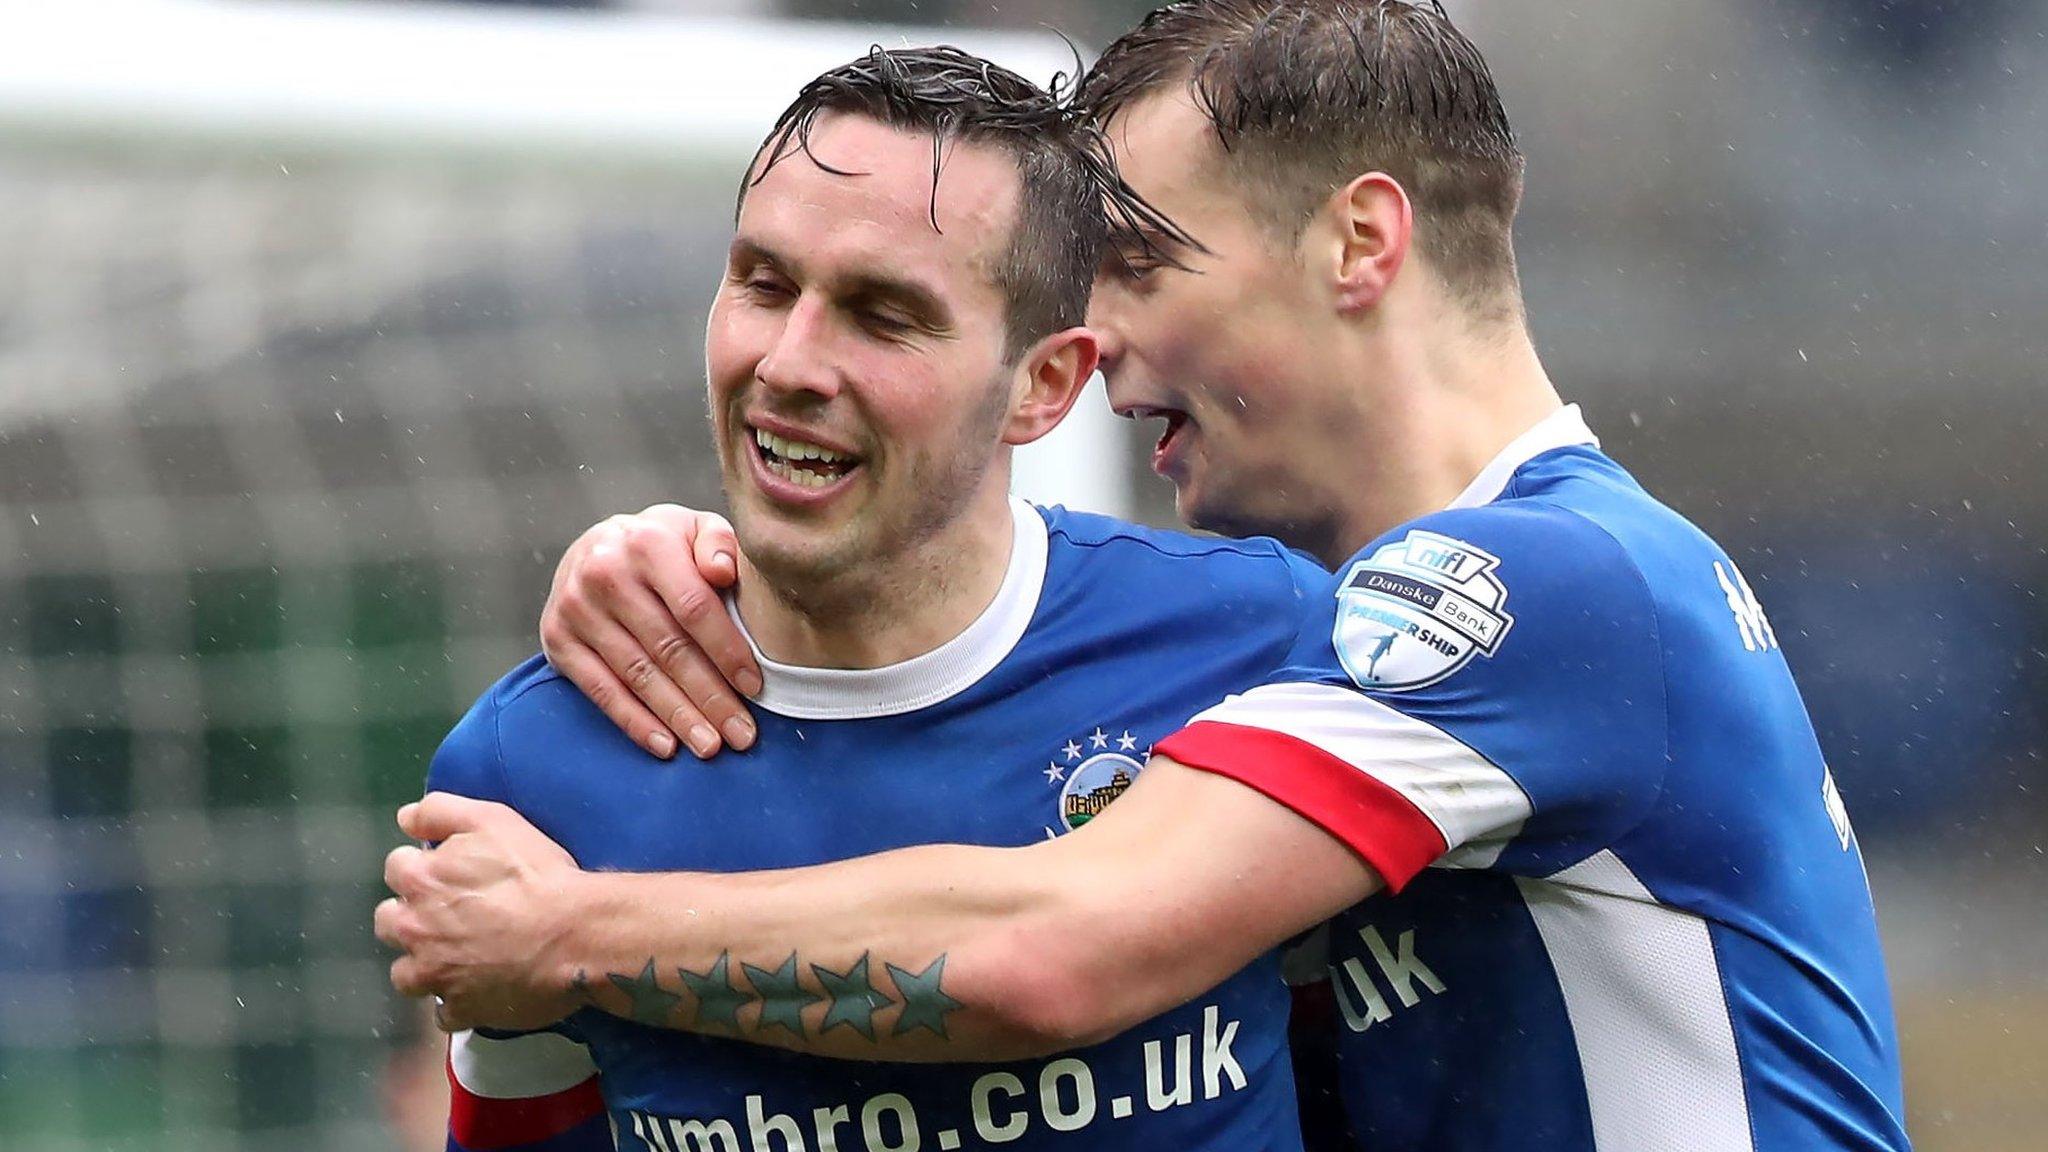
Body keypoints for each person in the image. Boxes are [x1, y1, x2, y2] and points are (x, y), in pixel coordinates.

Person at [382, 5, 1914, 1150]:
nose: (1100, 345)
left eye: (1143, 267)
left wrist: (567, 930)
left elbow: (1058, 947)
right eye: (766, 287)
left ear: (1359, 244)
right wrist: (718, 546)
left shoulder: (1538, 592)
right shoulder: (1364, 642)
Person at [383, 43, 1332, 1152]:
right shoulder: (535, 765)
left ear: (1043, 386)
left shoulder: (1257, 643)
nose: (789, 361)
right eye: (763, 283)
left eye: (881, 315)